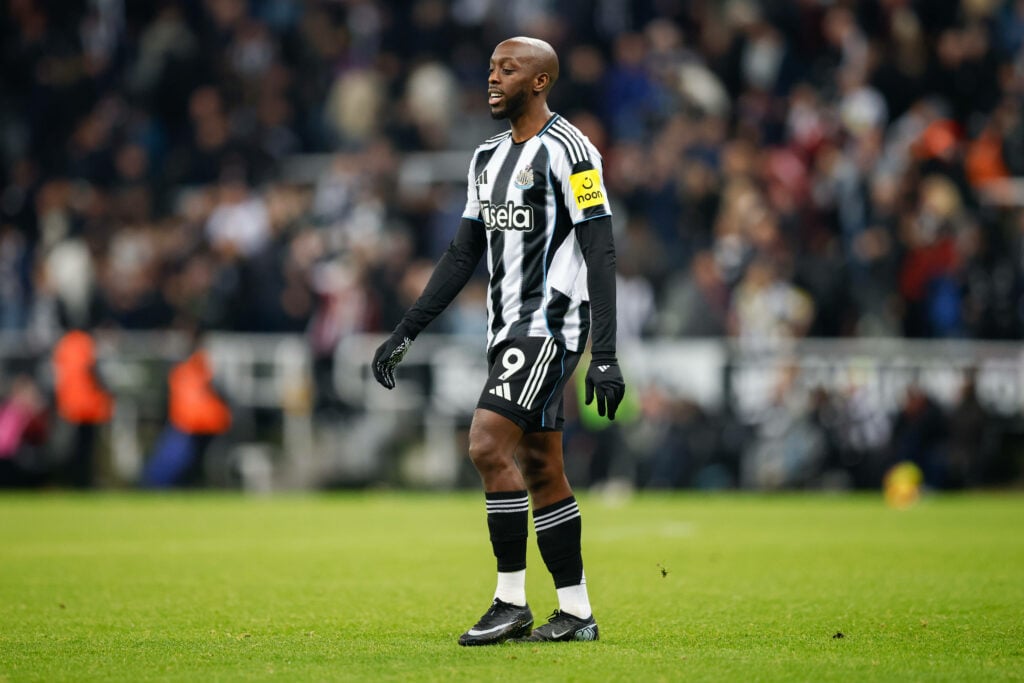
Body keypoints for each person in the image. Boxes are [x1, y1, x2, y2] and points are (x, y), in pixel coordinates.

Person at [372, 36, 625, 645]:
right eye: (490, 68)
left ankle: (509, 602)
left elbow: (600, 249)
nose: (492, 79)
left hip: (549, 327)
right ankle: (577, 613)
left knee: (487, 443)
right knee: (540, 466)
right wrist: (406, 330)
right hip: (504, 328)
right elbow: (463, 254)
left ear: (539, 82)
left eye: (507, 70)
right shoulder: (485, 157)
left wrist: (606, 353)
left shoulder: (572, 151)